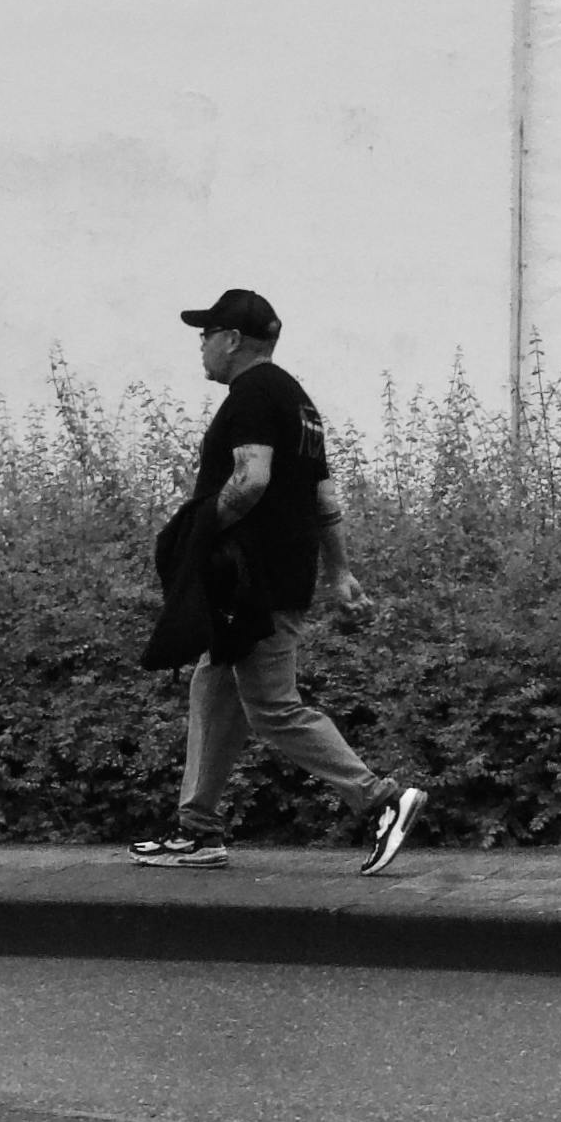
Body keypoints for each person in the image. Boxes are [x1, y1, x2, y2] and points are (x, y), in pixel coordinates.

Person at [131, 287, 426, 873]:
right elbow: (323, 495)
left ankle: (381, 800)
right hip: (279, 575)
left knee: (272, 707)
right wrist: (339, 572)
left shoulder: (252, 395)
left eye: (207, 334)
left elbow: (251, 479)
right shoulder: (297, 401)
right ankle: (199, 830)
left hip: (254, 582)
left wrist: (197, 531)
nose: (202, 346)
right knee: (214, 686)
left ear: (233, 340)